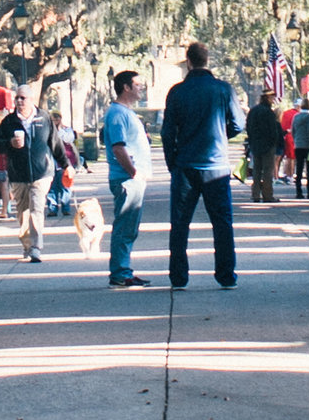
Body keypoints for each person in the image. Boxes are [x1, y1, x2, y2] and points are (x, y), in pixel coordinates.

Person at [160, 39, 244, 290]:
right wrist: (220, 135)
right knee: (222, 223)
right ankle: (226, 275)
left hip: (185, 165)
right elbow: (238, 123)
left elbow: (167, 132)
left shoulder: (177, 92)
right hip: (216, 165)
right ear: (207, 61)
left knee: (180, 224)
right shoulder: (223, 89)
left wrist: (172, 161)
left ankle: (179, 277)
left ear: (188, 62)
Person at [101, 69, 148, 285]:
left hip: (132, 178)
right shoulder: (118, 114)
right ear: (126, 87)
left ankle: (123, 270)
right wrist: (134, 172)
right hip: (127, 179)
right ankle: (120, 273)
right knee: (125, 227)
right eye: (137, 85)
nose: (141, 88)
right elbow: (119, 148)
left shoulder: (126, 112)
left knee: (129, 227)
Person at [0, 93, 45, 263]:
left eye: (24, 97)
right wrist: (9, 144)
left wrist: (66, 165)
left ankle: (36, 247)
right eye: (18, 98)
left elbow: (54, 142)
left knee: (37, 209)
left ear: (31, 100)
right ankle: (27, 245)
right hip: (18, 173)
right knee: (23, 211)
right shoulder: (9, 121)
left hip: (41, 172)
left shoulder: (44, 118)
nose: (20, 101)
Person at [245, 87, 285, 204]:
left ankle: (255, 194)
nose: (273, 100)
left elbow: (249, 127)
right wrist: (274, 142)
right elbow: (273, 130)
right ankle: (267, 195)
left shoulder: (253, 111)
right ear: (267, 98)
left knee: (256, 170)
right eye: (272, 97)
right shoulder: (268, 112)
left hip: (256, 145)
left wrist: (251, 141)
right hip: (267, 146)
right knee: (267, 171)